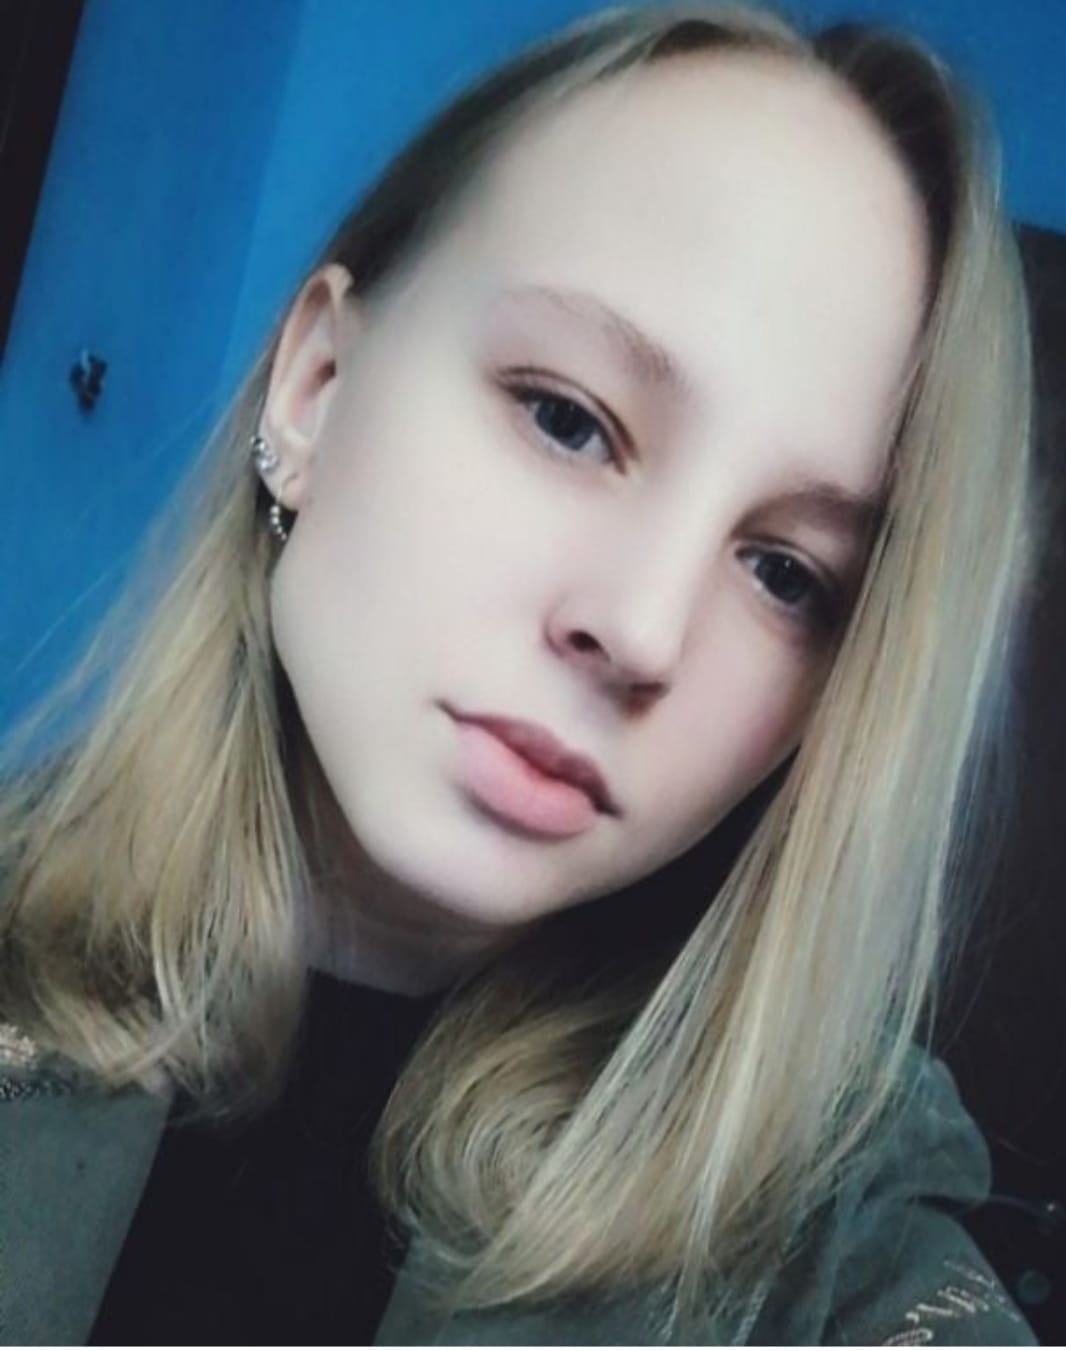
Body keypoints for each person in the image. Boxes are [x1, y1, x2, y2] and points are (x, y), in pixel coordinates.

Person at [0, 1, 1051, 1343]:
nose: (644, 630)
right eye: (568, 420)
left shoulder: (839, 1245)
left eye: (788, 574)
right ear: (315, 388)